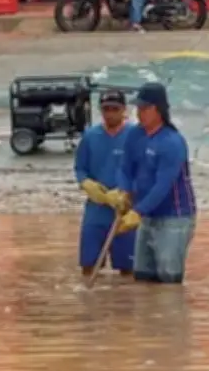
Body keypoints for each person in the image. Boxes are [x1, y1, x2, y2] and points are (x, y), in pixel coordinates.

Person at [112, 82, 197, 284]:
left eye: (144, 108)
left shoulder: (172, 143)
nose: (139, 113)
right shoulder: (135, 135)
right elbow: (125, 168)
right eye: (138, 108)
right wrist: (123, 192)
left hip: (174, 218)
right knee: (142, 275)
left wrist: (137, 212)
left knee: (169, 279)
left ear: (158, 110)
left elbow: (163, 186)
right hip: (147, 215)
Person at [74, 90, 137, 277]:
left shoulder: (135, 136)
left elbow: (144, 170)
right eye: (106, 109)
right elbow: (80, 167)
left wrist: (129, 191)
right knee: (89, 265)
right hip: (97, 208)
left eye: (114, 109)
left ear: (123, 110)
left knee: (128, 268)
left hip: (125, 207)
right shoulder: (90, 136)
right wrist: (86, 183)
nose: (110, 114)